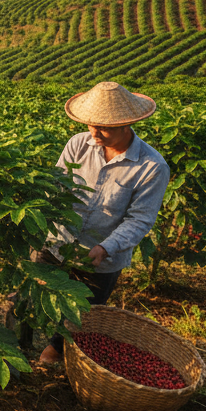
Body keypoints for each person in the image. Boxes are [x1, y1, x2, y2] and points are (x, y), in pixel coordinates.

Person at [35, 81, 170, 364]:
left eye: (103, 127)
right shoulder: (77, 144)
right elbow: (58, 187)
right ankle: (21, 341)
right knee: (31, 296)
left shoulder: (152, 167)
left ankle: (57, 351)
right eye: (91, 125)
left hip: (100, 257)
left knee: (79, 314)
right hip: (58, 241)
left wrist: (105, 248)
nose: (94, 133)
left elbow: (140, 219)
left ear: (127, 124)